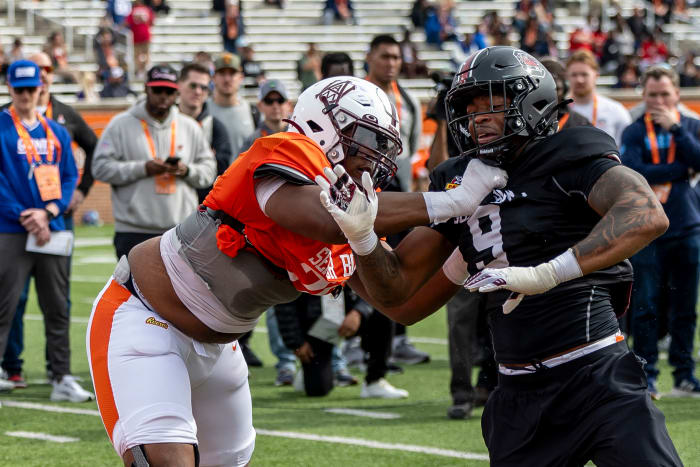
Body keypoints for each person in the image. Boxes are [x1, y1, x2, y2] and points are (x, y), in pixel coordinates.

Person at [86, 75, 507, 466]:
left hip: (220, 348)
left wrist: (462, 238)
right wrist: (449, 201)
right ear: (324, 124)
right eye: (364, 138)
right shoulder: (289, 150)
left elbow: (399, 299)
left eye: (381, 145)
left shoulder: (355, 209)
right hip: (146, 319)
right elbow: (326, 215)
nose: (373, 157)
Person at [318, 47, 682, 466]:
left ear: (534, 101)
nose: (478, 119)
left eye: (491, 103)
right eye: (469, 109)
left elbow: (644, 213)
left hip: (598, 376)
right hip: (518, 394)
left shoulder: (569, 155)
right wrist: (363, 239)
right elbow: (402, 300)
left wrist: (551, 272)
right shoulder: (459, 180)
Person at [0, 52, 99, 394]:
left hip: (51, 228)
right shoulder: (1, 126)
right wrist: (24, 215)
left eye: (31, 88)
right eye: (19, 88)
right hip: (11, 229)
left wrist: (51, 212)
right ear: (9, 88)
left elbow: (70, 174)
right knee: (5, 306)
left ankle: (61, 377)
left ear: (41, 87)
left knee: (57, 306)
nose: (26, 95)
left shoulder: (56, 130)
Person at [620, 65, 700, 399]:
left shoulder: (692, 126)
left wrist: (678, 131)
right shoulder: (634, 131)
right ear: (643, 95)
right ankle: (646, 374)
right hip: (646, 231)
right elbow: (635, 171)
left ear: (676, 94)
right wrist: (681, 169)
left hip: (687, 226)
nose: (658, 101)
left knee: (685, 307)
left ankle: (684, 375)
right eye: (652, 95)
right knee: (646, 307)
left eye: (665, 94)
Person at [92, 64, 217, 259]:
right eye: (158, 90)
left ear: (176, 93)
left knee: (180, 290)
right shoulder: (120, 124)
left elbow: (209, 170)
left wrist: (186, 171)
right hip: (134, 230)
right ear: (146, 89)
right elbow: (100, 168)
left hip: (180, 229)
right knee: (134, 290)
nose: (163, 96)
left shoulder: (190, 127)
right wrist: (143, 168)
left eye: (169, 91)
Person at [365, 34, 428, 365]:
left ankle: (398, 336)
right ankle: (362, 340)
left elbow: (412, 149)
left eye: (395, 57)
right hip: (363, 189)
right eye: (384, 56)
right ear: (370, 57)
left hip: (397, 190)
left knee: (400, 262)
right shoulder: (356, 93)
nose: (391, 62)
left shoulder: (409, 100)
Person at [176, 62, 232, 203]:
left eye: (204, 87)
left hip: (204, 207)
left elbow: (221, 172)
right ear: (179, 85)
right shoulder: (165, 123)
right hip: (171, 202)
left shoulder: (216, 127)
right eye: (193, 85)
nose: (198, 91)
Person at [566, 49, 631, 147]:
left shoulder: (616, 110)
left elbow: (625, 149)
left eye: (584, 74)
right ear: (567, 77)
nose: (579, 80)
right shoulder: (559, 112)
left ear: (596, 76)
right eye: (574, 75)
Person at [207, 52, 256, 164]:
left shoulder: (252, 112)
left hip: (243, 179)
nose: (227, 79)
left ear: (241, 77)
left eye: (232, 73)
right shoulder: (203, 109)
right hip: (213, 179)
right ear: (214, 78)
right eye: (222, 73)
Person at [539, 57, 590, 130]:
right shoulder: (521, 120)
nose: (551, 95)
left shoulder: (582, 123)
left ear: (565, 87)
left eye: (556, 89)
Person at [125, 0, 155, 79]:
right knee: (146, 55)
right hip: (146, 36)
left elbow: (127, 22)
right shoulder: (147, 9)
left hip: (137, 37)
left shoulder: (133, 11)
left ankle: (141, 71)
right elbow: (152, 22)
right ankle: (145, 71)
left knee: (137, 56)